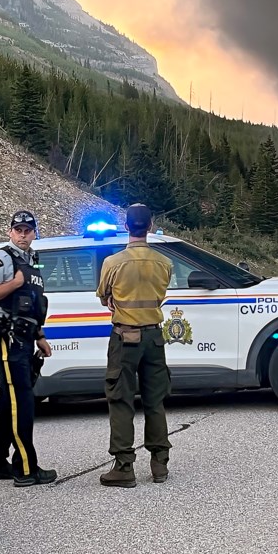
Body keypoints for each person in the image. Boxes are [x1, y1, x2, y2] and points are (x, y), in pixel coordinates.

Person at [96, 203, 174, 487]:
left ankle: (124, 466)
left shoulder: (112, 263)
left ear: (127, 227)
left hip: (124, 337)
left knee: (120, 400)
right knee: (155, 400)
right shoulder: (164, 263)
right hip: (154, 338)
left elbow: (104, 297)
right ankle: (159, 463)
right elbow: (161, 296)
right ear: (150, 226)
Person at [0, 209, 56, 487]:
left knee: (11, 401)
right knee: (20, 402)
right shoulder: (2, 259)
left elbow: (34, 304)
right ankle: (25, 469)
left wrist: (40, 336)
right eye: (18, 230)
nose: (23, 235)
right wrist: (15, 283)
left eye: (28, 230)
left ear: (35, 233)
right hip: (6, 336)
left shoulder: (32, 260)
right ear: (10, 232)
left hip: (24, 336)